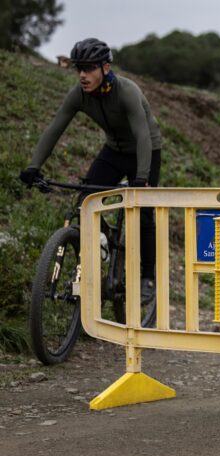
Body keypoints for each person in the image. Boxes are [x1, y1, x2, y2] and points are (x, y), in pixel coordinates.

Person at [19, 38, 162, 305]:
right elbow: (55, 128)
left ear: (105, 68)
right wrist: (33, 166)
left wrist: (142, 177)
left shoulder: (126, 92)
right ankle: (95, 257)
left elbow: (143, 135)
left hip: (147, 152)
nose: (82, 75)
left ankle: (148, 278)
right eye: (79, 69)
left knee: (144, 212)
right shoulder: (79, 95)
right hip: (113, 151)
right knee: (85, 201)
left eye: (88, 68)